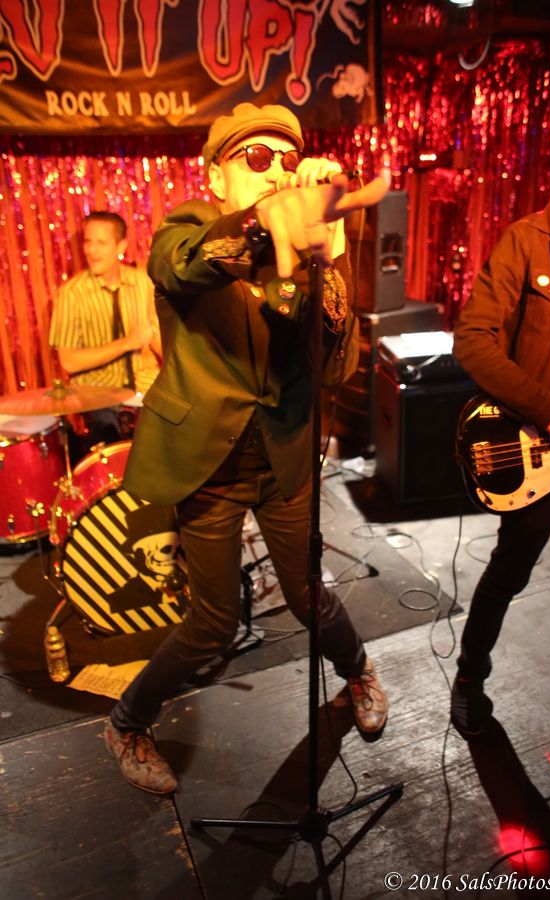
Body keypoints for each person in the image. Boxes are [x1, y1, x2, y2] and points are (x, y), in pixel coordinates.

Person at [104, 102, 391, 794]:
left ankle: (359, 671)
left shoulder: (306, 246)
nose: (274, 171)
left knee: (308, 595)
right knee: (211, 626)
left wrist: (329, 256)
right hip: (209, 465)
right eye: (256, 159)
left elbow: (335, 368)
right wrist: (266, 220)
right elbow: (181, 266)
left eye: (285, 160)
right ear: (218, 174)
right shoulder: (190, 227)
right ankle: (126, 722)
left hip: (284, 460)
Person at [451, 100, 550, 737]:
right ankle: (469, 679)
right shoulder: (528, 238)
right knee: (510, 572)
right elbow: (472, 339)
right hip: (541, 444)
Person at [49, 211, 162, 456]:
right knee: (107, 431)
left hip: (145, 387)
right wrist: (127, 343)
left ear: (121, 246)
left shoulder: (143, 283)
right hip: (99, 395)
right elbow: (69, 362)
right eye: (88, 242)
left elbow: (159, 340)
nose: (92, 250)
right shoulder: (71, 294)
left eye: (101, 242)